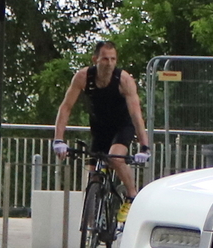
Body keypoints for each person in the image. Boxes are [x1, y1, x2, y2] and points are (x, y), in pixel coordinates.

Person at [52, 41, 150, 208]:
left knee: (115, 158)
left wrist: (144, 147)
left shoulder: (124, 80)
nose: (109, 64)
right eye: (105, 59)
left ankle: (132, 195)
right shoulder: (83, 77)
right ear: (95, 59)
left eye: (113, 59)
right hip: (99, 127)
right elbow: (66, 107)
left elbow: (135, 114)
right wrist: (58, 140)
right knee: (93, 176)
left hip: (122, 125)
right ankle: (92, 221)